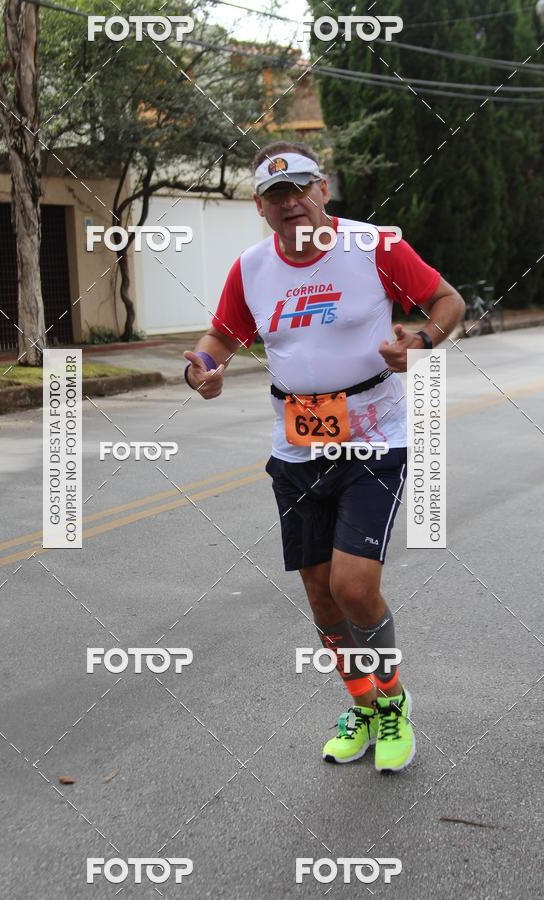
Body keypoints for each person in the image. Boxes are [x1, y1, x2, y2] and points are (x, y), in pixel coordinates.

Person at [183, 141, 465, 773]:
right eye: (276, 195)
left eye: (300, 188)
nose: (291, 203)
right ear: (260, 206)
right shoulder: (251, 268)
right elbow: (222, 336)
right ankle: (363, 705)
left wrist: (422, 341)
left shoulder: (375, 247)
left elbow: (449, 301)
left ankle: (393, 702)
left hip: (374, 438)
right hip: (296, 450)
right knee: (319, 594)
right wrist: (201, 366)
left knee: (353, 586)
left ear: (323, 191)